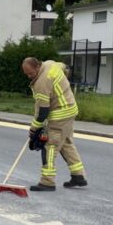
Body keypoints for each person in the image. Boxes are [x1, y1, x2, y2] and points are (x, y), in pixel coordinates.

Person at [22, 57, 87, 191]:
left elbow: (43, 111)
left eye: (30, 73)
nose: (29, 76)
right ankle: (78, 176)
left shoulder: (41, 82)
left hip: (59, 115)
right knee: (66, 143)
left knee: (50, 147)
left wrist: (34, 129)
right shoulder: (51, 64)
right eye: (26, 74)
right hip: (70, 109)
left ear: (37, 67)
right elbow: (65, 67)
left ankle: (47, 182)